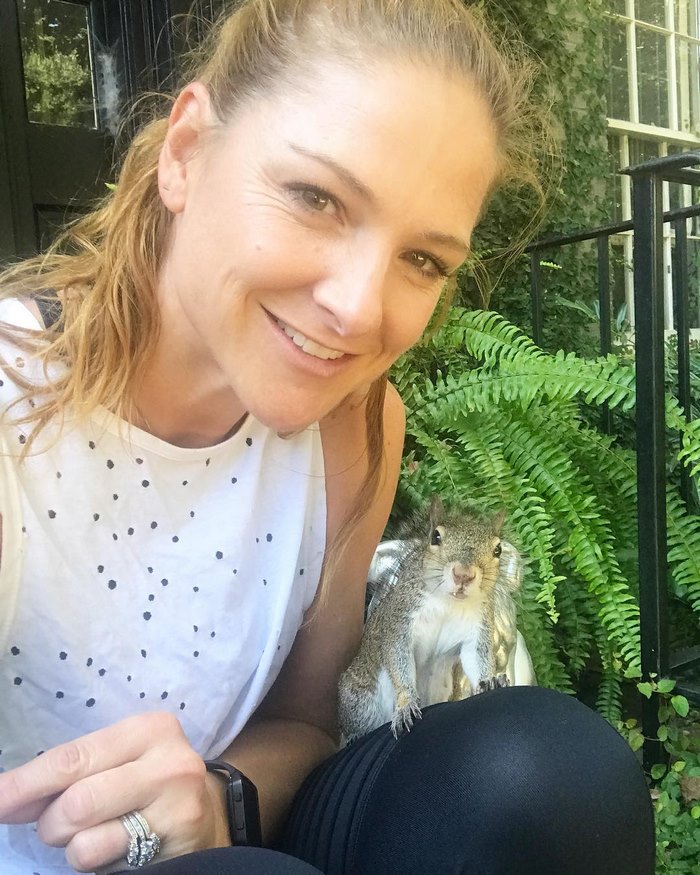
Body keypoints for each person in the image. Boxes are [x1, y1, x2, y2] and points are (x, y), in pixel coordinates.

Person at [0, 1, 655, 873]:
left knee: (549, 777)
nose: (358, 307)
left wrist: (221, 795)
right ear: (186, 153)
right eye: (316, 197)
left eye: (422, 260)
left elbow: (310, 723)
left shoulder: (354, 426)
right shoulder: (16, 405)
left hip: (240, 831)